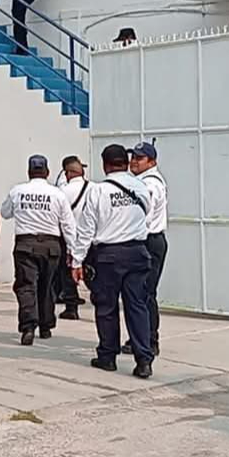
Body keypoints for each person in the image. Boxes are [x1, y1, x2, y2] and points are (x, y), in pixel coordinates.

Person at [71, 144, 154, 379]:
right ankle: (144, 360)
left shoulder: (97, 191)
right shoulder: (140, 186)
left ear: (105, 164)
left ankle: (107, 357)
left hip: (108, 256)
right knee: (137, 306)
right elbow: (146, 212)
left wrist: (77, 261)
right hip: (137, 252)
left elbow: (86, 229)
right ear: (126, 164)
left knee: (107, 308)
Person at [1, 155, 77, 345]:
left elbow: (5, 213)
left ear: (29, 172)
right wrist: (73, 251)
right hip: (52, 246)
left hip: (25, 244)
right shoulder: (57, 194)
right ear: (47, 172)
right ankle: (45, 326)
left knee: (26, 286)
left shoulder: (17, 191)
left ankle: (28, 327)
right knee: (47, 286)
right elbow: (68, 224)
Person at [127, 142, 167, 358]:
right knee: (138, 294)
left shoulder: (150, 185)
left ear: (151, 162)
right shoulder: (140, 181)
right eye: (133, 156)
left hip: (148, 241)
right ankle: (140, 336)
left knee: (145, 293)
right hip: (146, 241)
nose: (134, 161)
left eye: (140, 158)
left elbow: (144, 216)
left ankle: (150, 340)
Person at [56, 155, 90, 320]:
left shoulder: (62, 192)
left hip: (69, 236)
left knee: (67, 271)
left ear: (67, 173)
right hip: (91, 237)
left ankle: (71, 307)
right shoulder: (95, 188)